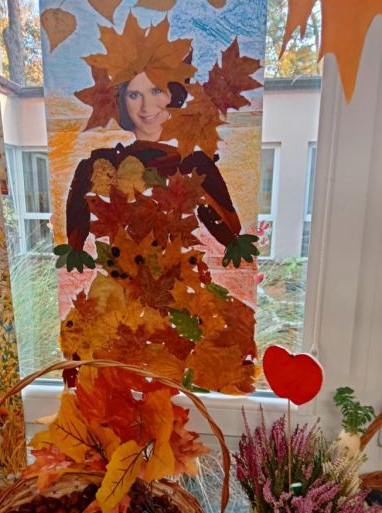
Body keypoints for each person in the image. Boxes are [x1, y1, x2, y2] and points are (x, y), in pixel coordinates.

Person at [60, 14, 258, 395]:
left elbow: (224, 223)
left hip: (176, 288)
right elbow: (78, 218)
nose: (145, 106)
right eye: (134, 94)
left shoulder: (192, 165)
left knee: (191, 368)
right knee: (109, 377)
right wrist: (75, 247)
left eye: (156, 91)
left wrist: (232, 241)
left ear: (174, 95)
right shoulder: (103, 164)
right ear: (121, 101)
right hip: (119, 291)